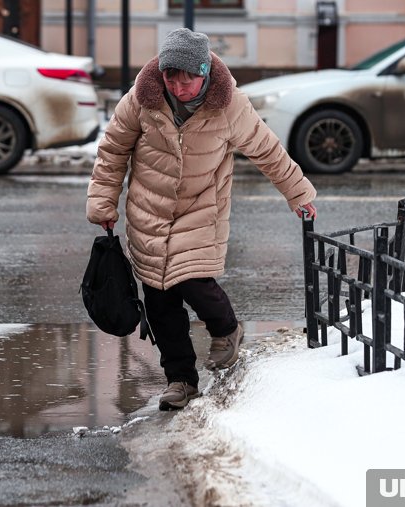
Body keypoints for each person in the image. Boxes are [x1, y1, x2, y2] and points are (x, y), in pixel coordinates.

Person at [86, 28, 317, 411]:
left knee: (194, 282)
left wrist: (299, 193)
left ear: (205, 71)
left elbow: (267, 150)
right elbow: (112, 151)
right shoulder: (141, 100)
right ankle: (180, 380)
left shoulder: (229, 106)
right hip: (149, 214)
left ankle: (227, 329)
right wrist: (102, 204)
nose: (178, 86)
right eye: (170, 77)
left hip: (200, 210)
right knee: (160, 304)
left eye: (187, 78)